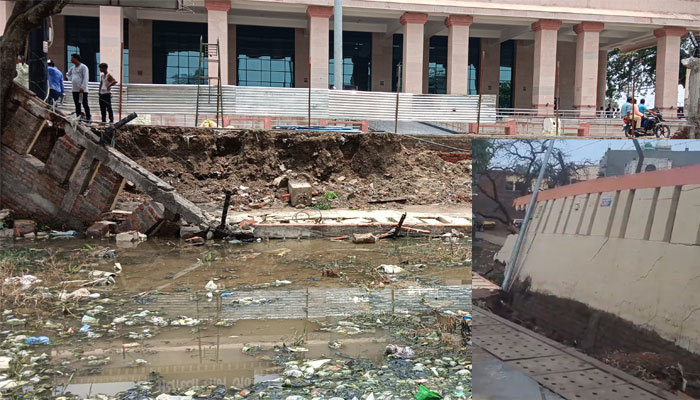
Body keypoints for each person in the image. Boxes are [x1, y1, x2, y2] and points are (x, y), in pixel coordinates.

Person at [66, 53, 91, 121]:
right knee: (77, 105)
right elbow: (68, 74)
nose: (71, 59)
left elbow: (85, 77)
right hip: (75, 90)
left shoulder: (83, 67)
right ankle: (78, 117)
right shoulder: (73, 68)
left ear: (76, 59)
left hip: (82, 90)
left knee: (85, 104)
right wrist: (71, 79)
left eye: (72, 58)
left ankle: (88, 118)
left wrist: (83, 87)